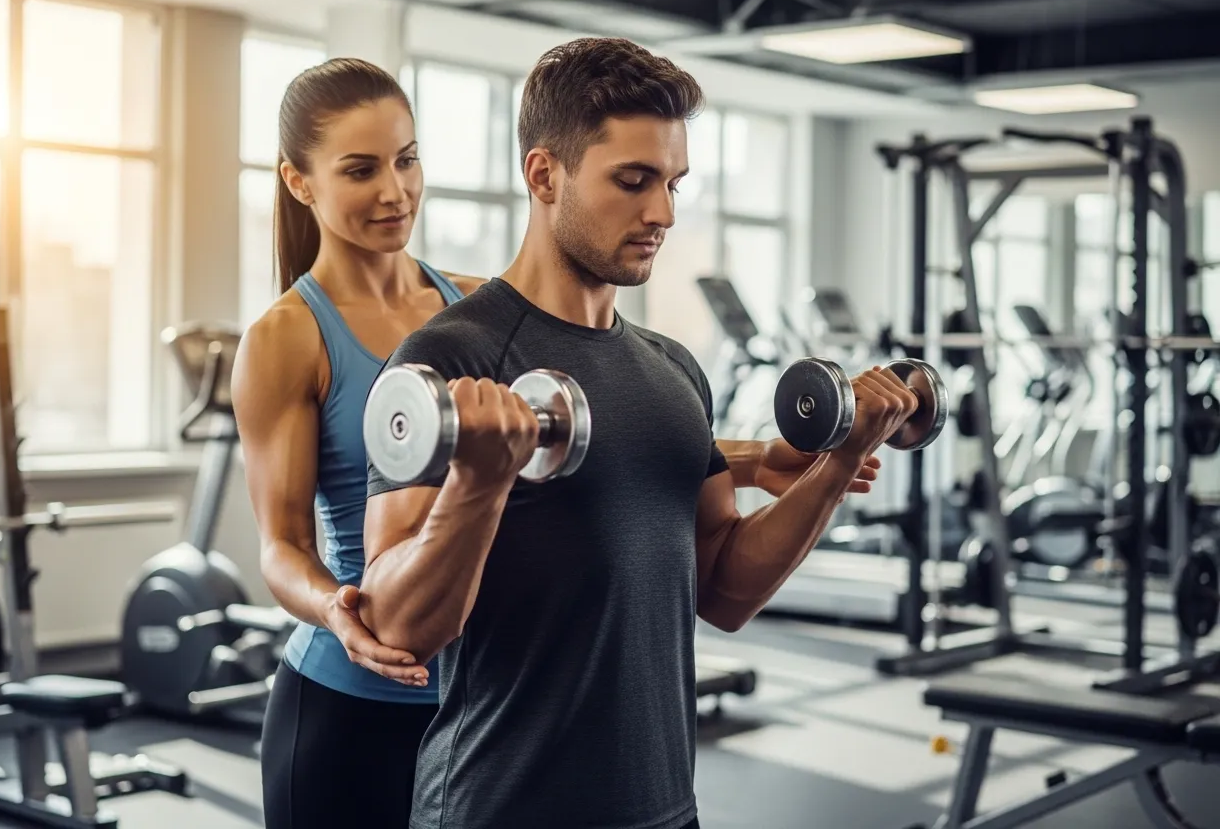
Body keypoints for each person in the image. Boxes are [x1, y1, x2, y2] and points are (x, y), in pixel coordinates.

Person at [231, 56, 880, 829]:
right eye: (361, 169)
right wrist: (340, 609)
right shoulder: (353, 343)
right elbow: (289, 549)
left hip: (608, 773)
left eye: (406, 160)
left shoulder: (495, 311)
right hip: (362, 685)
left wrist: (790, 460)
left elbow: (595, 439)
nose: (394, 189)